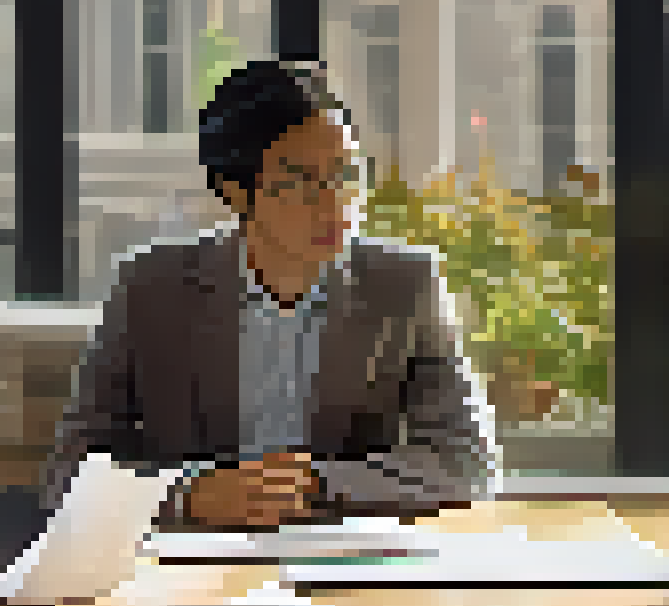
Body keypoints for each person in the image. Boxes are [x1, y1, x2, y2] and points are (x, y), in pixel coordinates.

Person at [41, 59, 498, 528]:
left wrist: (313, 484)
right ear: (236, 192)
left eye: (346, 174)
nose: (335, 202)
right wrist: (190, 495)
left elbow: (469, 464)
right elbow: (70, 470)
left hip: (341, 548)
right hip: (194, 552)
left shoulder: (404, 284)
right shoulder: (152, 287)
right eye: (302, 182)